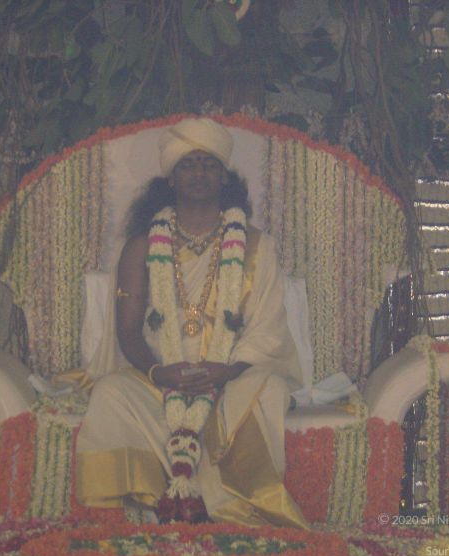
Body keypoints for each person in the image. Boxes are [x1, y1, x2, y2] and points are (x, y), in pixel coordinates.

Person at [75, 117, 307, 528]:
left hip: (231, 378)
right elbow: (128, 330)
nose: (199, 172)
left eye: (208, 164)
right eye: (188, 164)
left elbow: (267, 329)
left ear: (223, 177)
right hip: (162, 379)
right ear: (171, 178)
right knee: (111, 392)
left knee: (268, 389)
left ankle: (227, 505)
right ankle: (153, 501)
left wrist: (225, 371)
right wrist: (160, 373)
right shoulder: (142, 246)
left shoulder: (256, 246)